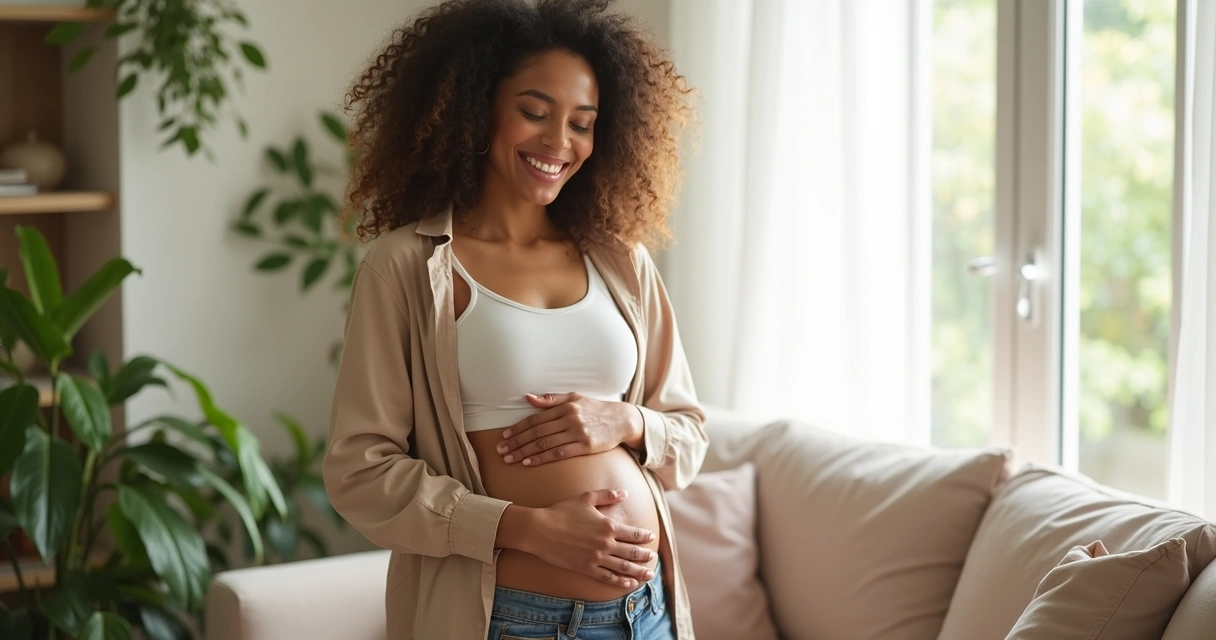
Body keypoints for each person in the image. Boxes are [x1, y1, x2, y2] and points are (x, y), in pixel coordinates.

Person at [322, 0, 706, 637]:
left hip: (645, 616)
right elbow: (361, 472)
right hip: (507, 620)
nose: (560, 142)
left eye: (582, 123)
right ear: (478, 111)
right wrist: (528, 529)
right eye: (535, 112)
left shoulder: (623, 263)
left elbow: (688, 435)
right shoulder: (409, 269)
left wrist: (626, 420)